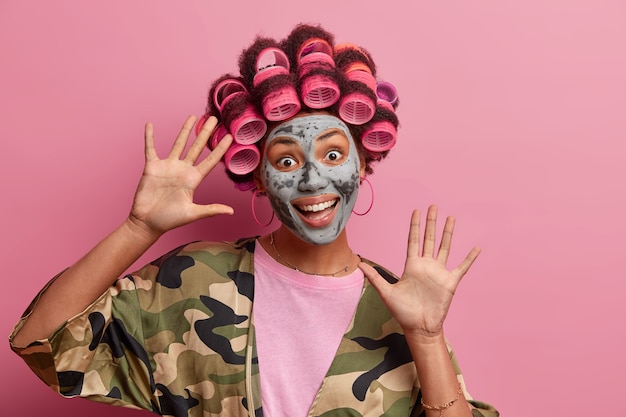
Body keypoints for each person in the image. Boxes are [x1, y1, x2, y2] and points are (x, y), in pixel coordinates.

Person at [9, 24, 498, 417]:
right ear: (257, 176)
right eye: (286, 160)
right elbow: (42, 345)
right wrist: (139, 229)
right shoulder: (194, 280)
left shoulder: (402, 308)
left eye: (332, 153)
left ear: (364, 162)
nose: (311, 179)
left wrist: (428, 340)